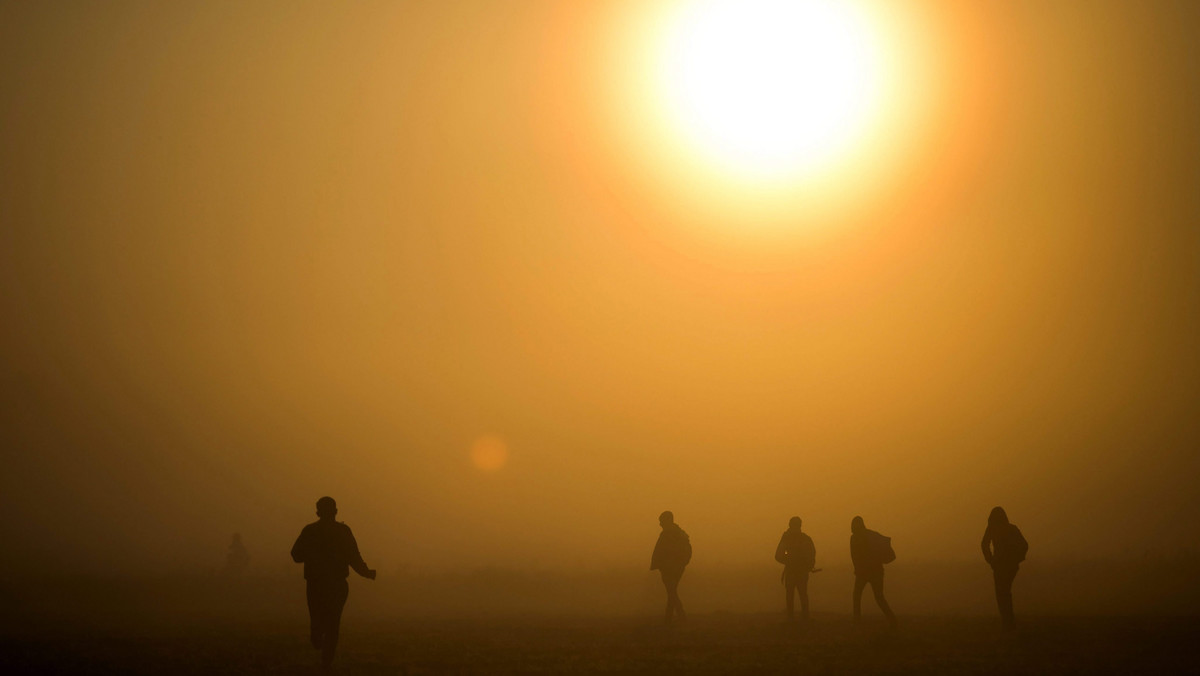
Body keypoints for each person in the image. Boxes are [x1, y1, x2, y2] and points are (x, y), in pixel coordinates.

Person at [291, 497, 377, 669]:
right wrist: (366, 573)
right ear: (336, 511)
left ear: (318, 512)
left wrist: (313, 554)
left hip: (316, 585)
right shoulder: (343, 531)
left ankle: (318, 640)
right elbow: (354, 557)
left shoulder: (310, 531)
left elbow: (296, 555)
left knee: (317, 617)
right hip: (336, 585)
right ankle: (326, 660)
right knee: (333, 622)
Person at [981, 506, 1028, 630]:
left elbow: (984, 544)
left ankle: (1008, 623)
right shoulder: (1011, 529)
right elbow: (1024, 545)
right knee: (1005, 593)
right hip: (1008, 566)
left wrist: (990, 560)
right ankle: (1008, 622)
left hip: (1001, 566)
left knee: (1002, 594)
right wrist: (1017, 559)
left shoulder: (993, 529)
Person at [849, 515, 896, 628]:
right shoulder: (871, 535)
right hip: (876, 571)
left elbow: (854, 557)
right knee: (879, 597)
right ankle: (892, 620)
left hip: (864, 572)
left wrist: (857, 569)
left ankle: (857, 621)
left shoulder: (855, 538)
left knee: (857, 596)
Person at [650, 510, 691, 624]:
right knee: (671, 591)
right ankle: (669, 617)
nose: (660, 524)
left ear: (667, 521)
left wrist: (662, 565)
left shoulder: (668, 534)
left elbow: (662, 552)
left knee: (671, 591)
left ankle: (680, 616)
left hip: (670, 569)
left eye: (661, 521)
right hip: (676, 568)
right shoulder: (680, 533)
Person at [774, 516, 816, 621]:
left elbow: (778, 555)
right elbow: (811, 555)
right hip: (798, 571)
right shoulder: (804, 538)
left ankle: (792, 618)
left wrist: (789, 561)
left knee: (792, 594)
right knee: (801, 594)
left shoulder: (789, 538)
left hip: (794, 571)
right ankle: (802, 618)